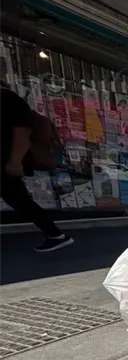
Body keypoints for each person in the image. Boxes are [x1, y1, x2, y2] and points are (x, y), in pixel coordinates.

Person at [0, 83, 74, 252]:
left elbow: (22, 132)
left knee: (21, 201)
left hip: (6, 164)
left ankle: (56, 235)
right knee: (20, 201)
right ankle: (56, 235)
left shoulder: (7, 99)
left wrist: (15, 161)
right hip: (6, 164)